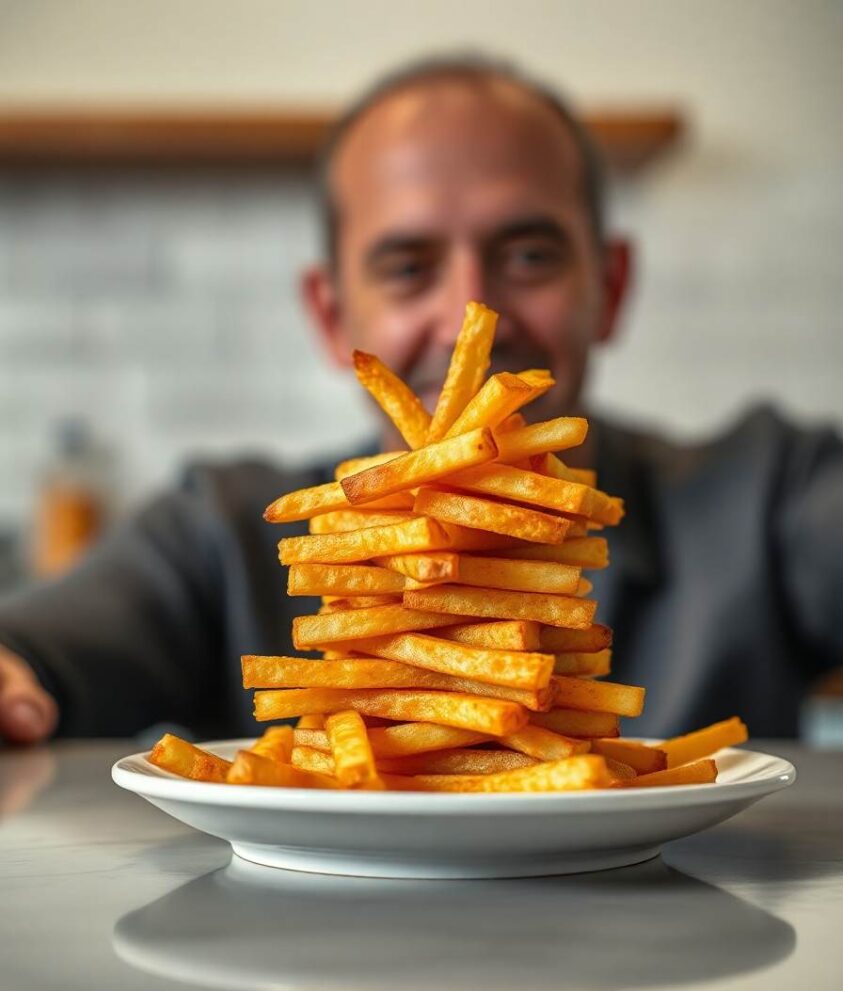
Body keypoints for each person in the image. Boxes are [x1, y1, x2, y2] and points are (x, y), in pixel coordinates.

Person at [0, 55, 841, 746]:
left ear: (611, 287)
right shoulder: (223, 530)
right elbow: (43, 645)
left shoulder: (765, 492)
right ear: (331, 316)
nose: (470, 313)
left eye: (530, 255)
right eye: (407, 268)